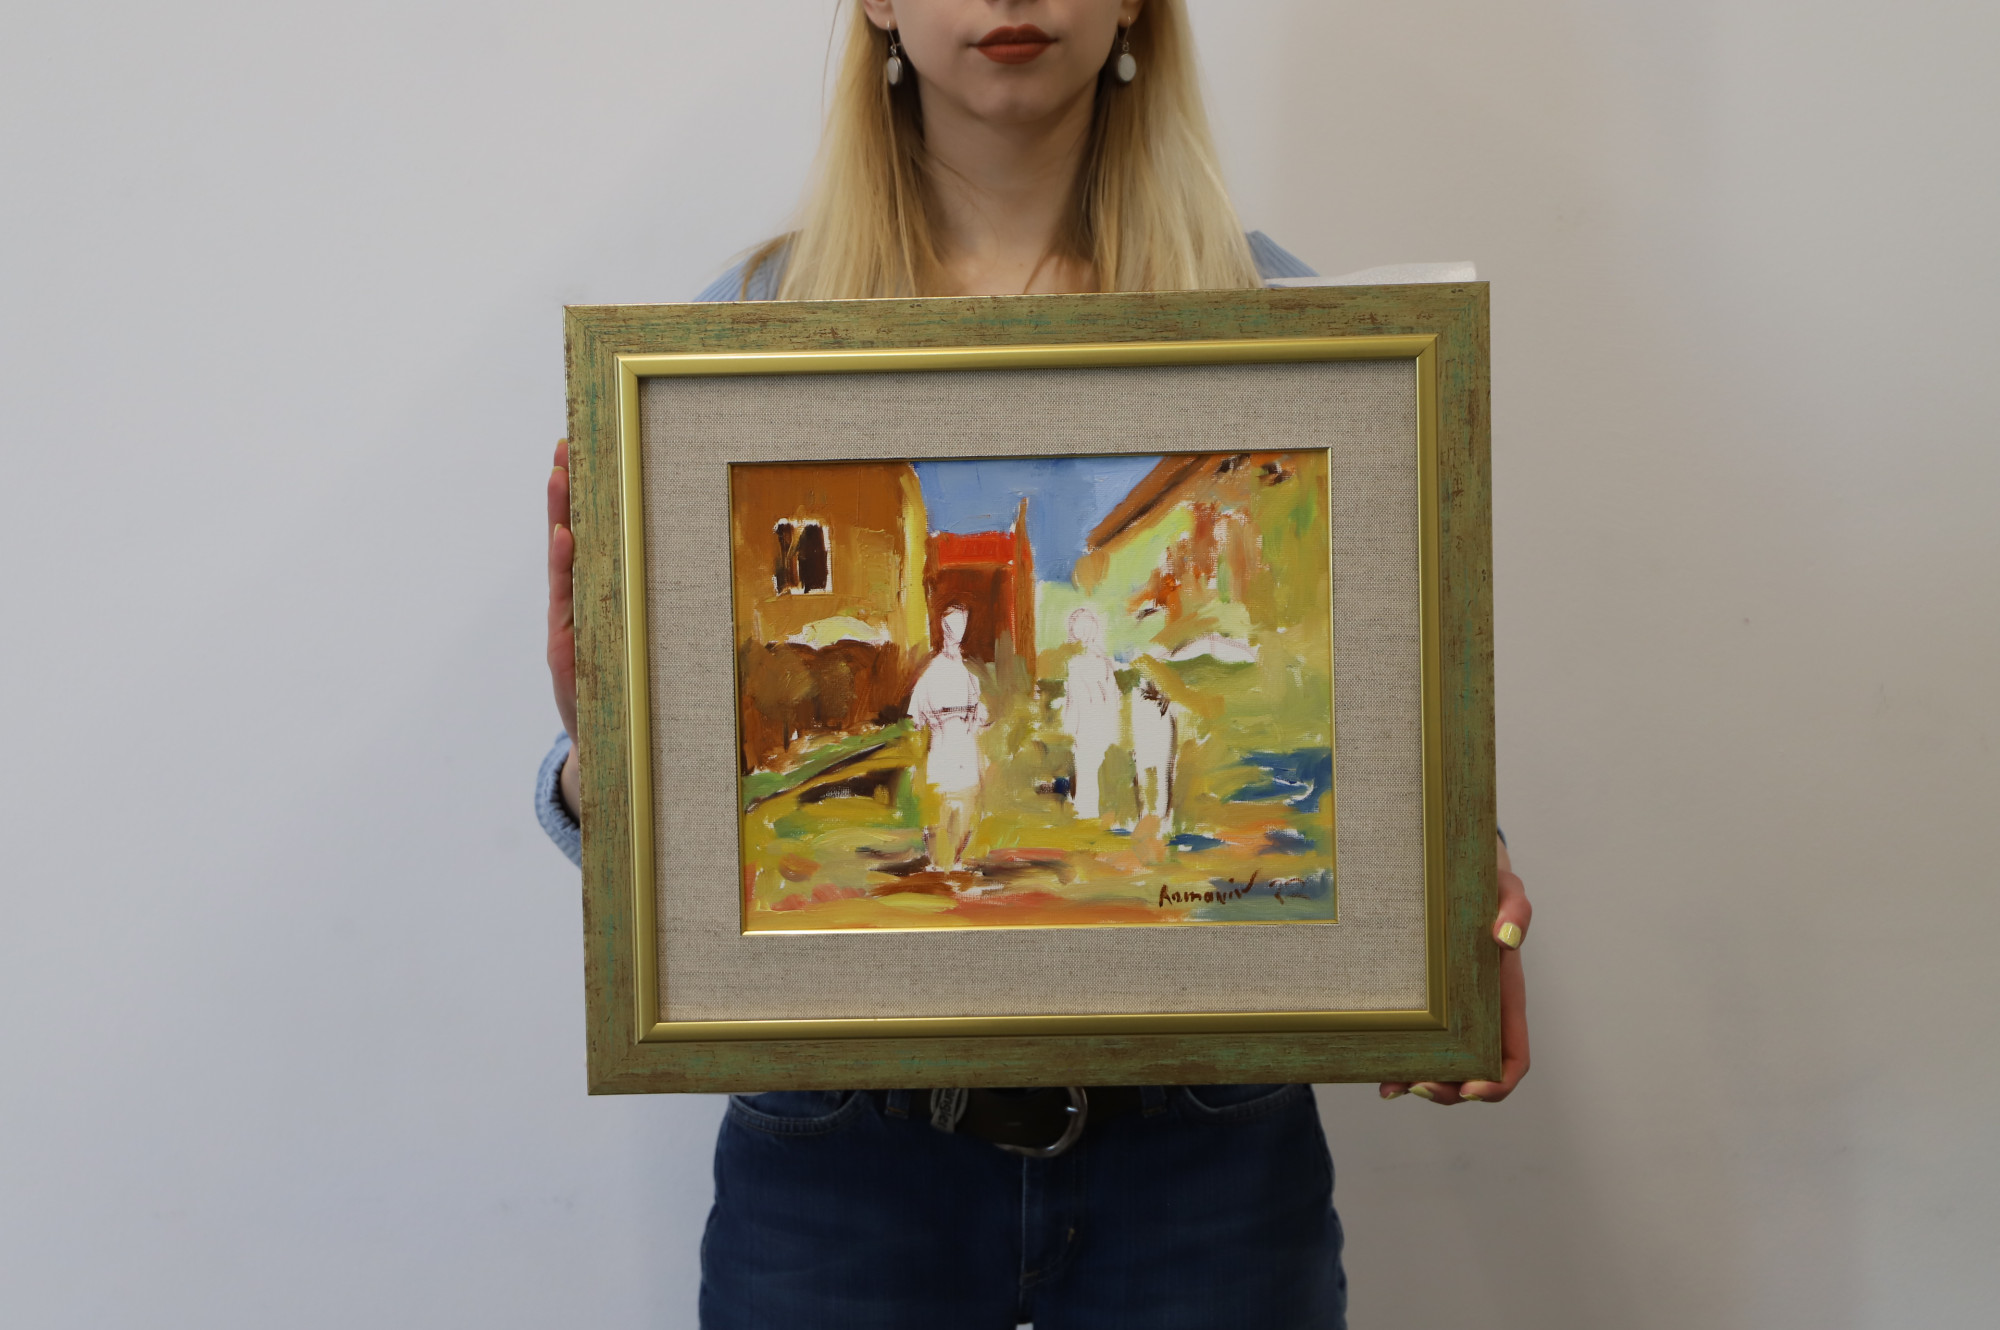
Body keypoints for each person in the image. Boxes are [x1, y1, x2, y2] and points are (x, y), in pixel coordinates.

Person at [537, 3, 1533, 1325]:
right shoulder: (734, 339)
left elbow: (1388, 689)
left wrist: (1446, 875)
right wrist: (606, 752)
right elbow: (674, 853)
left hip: (1204, 1157)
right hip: (840, 1165)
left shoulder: (1303, 327)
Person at [907, 604, 989, 872]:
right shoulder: (934, 671)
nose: (958, 630)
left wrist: (977, 719)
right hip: (943, 746)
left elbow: (980, 713)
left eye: (962, 624)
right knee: (941, 802)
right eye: (953, 625)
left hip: (965, 746)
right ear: (945, 629)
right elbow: (916, 716)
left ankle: (954, 858)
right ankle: (939, 860)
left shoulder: (968, 674)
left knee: (966, 801)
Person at [1059, 605, 1120, 820]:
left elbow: (1074, 701)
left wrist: (1070, 728)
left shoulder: (1076, 664)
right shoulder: (1105, 663)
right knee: (1096, 764)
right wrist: (1112, 725)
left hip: (1086, 723)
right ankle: (1095, 808)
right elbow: (1112, 698)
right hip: (1102, 721)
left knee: (1086, 766)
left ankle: (1087, 809)